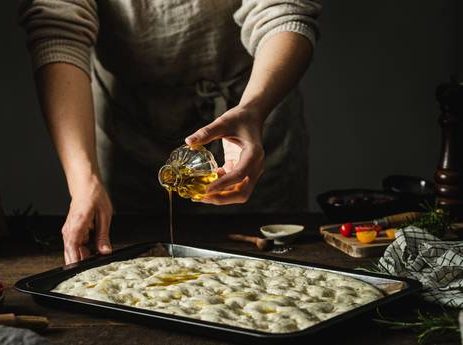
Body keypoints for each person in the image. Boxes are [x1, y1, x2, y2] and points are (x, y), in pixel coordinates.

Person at [19, 0, 321, 264]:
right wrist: (84, 180)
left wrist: (254, 108)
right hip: (129, 130)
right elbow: (59, 26)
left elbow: (284, 11)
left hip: (253, 109)